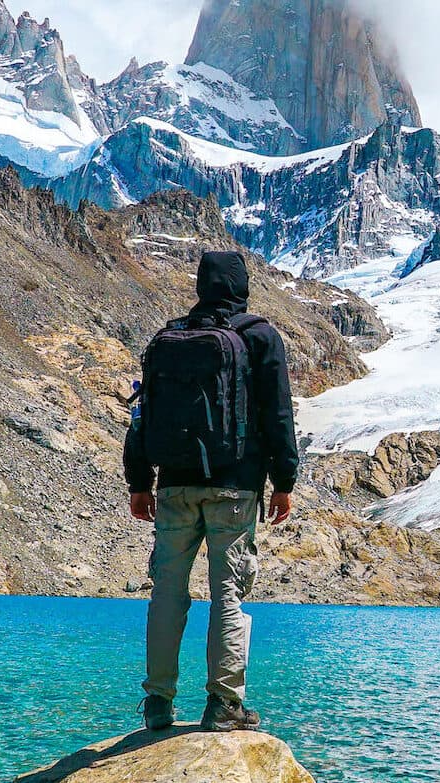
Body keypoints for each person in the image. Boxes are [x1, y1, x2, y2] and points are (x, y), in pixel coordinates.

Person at [124, 250, 297, 732]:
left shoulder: (170, 336)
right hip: (235, 488)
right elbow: (279, 415)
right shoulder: (259, 336)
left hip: (174, 485)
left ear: (201, 285)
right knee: (228, 595)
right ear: (242, 285)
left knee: (166, 594)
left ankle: (157, 703)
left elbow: (142, 415)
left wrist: (140, 482)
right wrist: (284, 482)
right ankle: (224, 705)